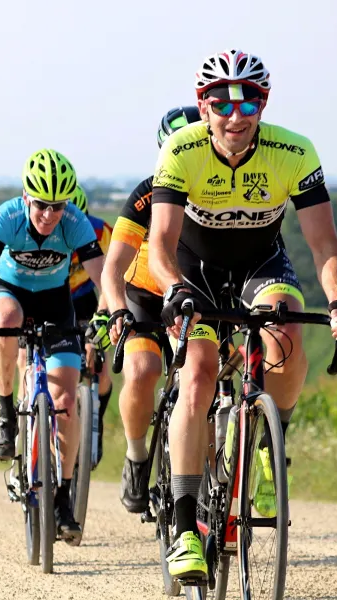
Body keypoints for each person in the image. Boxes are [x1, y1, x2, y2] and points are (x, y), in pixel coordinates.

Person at [146, 49, 337, 580]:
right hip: (194, 269)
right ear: (203, 105)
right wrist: (175, 290)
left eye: (250, 101)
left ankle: (270, 443)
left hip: (260, 263)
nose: (235, 114)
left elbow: (324, 243)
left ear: (264, 104)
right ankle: (182, 529)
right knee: (197, 372)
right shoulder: (182, 149)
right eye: (220, 101)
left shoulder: (294, 151)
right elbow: (160, 244)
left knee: (287, 326)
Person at [0, 149, 111, 543]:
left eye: (57, 206)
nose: (49, 215)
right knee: (6, 323)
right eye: (42, 205)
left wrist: (106, 313)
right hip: (9, 291)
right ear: (27, 197)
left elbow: (103, 279)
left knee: (65, 400)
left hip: (54, 300)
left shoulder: (76, 223)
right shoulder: (7, 217)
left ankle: (62, 496)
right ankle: (7, 413)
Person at [102, 105, 201, 513]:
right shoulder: (147, 194)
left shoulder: (220, 194)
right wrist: (115, 311)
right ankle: (138, 456)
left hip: (198, 299)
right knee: (142, 371)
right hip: (144, 296)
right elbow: (113, 267)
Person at [66, 183, 113, 463]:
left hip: (83, 296)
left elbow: (111, 277)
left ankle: (95, 422)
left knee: (101, 368)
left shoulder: (100, 232)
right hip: (52, 295)